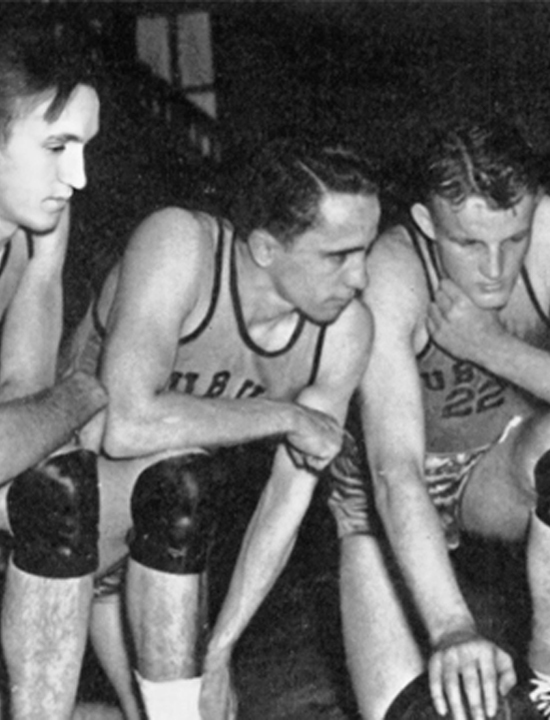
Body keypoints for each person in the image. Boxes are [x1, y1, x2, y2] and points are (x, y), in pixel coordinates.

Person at [53, 136, 380, 720]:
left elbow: (286, 502)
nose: (360, 278)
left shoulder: (345, 331)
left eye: (367, 252)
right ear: (263, 248)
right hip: (49, 513)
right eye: (338, 256)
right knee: (178, 478)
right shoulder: (180, 243)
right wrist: (285, 416)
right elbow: (126, 424)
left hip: (155, 540)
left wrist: (222, 650)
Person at [328, 119, 550, 720]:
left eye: (512, 239)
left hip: (493, 469)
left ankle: (548, 687)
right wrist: (453, 629)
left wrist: (493, 347)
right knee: (422, 714)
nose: (495, 267)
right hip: (385, 500)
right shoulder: (393, 274)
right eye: (468, 244)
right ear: (427, 222)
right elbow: (394, 471)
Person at [0, 20, 122, 720]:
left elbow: (21, 399)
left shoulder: (37, 220)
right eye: (56, 147)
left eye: (84, 147)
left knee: (61, 488)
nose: (77, 178)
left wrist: (56, 405)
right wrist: (84, 389)